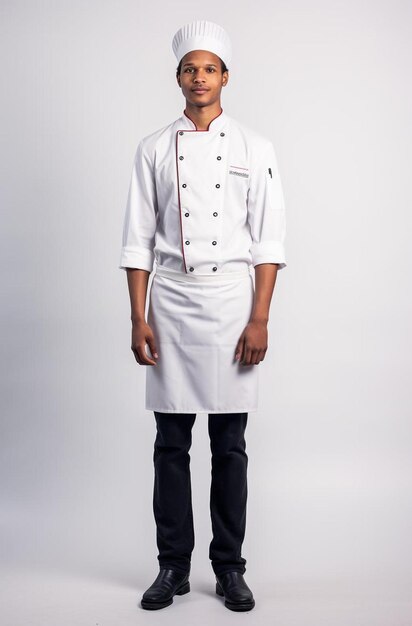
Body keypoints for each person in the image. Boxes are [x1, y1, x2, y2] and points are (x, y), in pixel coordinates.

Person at [119, 20, 287, 612]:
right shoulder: (151, 149)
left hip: (232, 306)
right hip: (170, 303)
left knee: (231, 444)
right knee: (170, 442)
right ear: (178, 78)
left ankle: (230, 567)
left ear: (225, 77)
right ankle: (172, 567)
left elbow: (268, 243)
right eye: (190, 68)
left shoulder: (255, 148)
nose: (199, 78)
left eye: (209, 68)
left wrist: (259, 318)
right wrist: (138, 317)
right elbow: (138, 240)